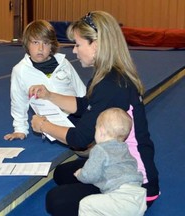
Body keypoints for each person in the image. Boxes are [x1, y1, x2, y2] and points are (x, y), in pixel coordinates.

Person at [29, 11, 160, 215]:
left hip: (135, 185)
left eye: (78, 44)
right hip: (118, 165)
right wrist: (49, 95)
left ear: (96, 46)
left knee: (56, 201)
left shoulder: (112, 84)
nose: (74, 50)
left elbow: (79, 139)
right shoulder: (109, 75)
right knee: (63, 174)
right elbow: (85, 106)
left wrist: (42, 125)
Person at [4, 19, 86, 141]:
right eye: (35, 42)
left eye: (46, 43)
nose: (41, 48)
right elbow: (18, 102)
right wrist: (20, 129)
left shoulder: (63, 63)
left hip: (75, 116)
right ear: (27, 44)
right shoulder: (20, 70)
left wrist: (88, 114)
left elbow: (81, 91)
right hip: (50, 123)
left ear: (52, 45)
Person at [75, 107, 147, 216]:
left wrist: (80, 174)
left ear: (102, 131)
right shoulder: (124, 148)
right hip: (138, 196)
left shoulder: (100, 149)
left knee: (86, 204)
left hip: (121, 197)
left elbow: (89, 175)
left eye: (96, 129)